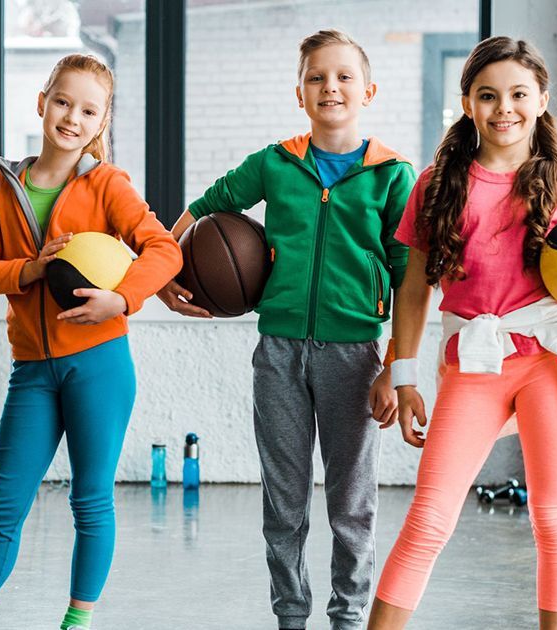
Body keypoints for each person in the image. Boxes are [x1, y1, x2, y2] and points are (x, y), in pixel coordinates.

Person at [367, 36, 557, 630]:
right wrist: (405, 375)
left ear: (541, 99)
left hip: (547, 361)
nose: (505, 109)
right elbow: (413, 290)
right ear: (467, 102)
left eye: (519, 94)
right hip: (473, 363)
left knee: (553, 516)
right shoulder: (437, 185)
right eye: (488, 95)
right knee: (430, 515)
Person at [157, 29, 414, 630]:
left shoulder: (392, 175)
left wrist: (395, 366)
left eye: (344, 76)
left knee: (352, 503)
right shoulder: (274, 164)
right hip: (277, 352)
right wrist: (164, 274)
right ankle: (291, 615)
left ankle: (349, 616)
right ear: (299, 93)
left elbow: (411, 280)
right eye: (317, 77)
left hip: (356, 357)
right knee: (284, 501)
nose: (331, 87)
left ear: (368, 90)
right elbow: (205, 206)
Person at [0, 54, 182, 630]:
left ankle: (78, 621)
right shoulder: (0, 187)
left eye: (88, 110)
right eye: (63, 102)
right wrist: (30, 269)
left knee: (90, 500)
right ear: (42, 101)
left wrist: (121, 300)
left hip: (99, 363)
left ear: (102, 124)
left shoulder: (108, 184)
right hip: (33, 370)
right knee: (1, 506)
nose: (72, 117)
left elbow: (164, 249)